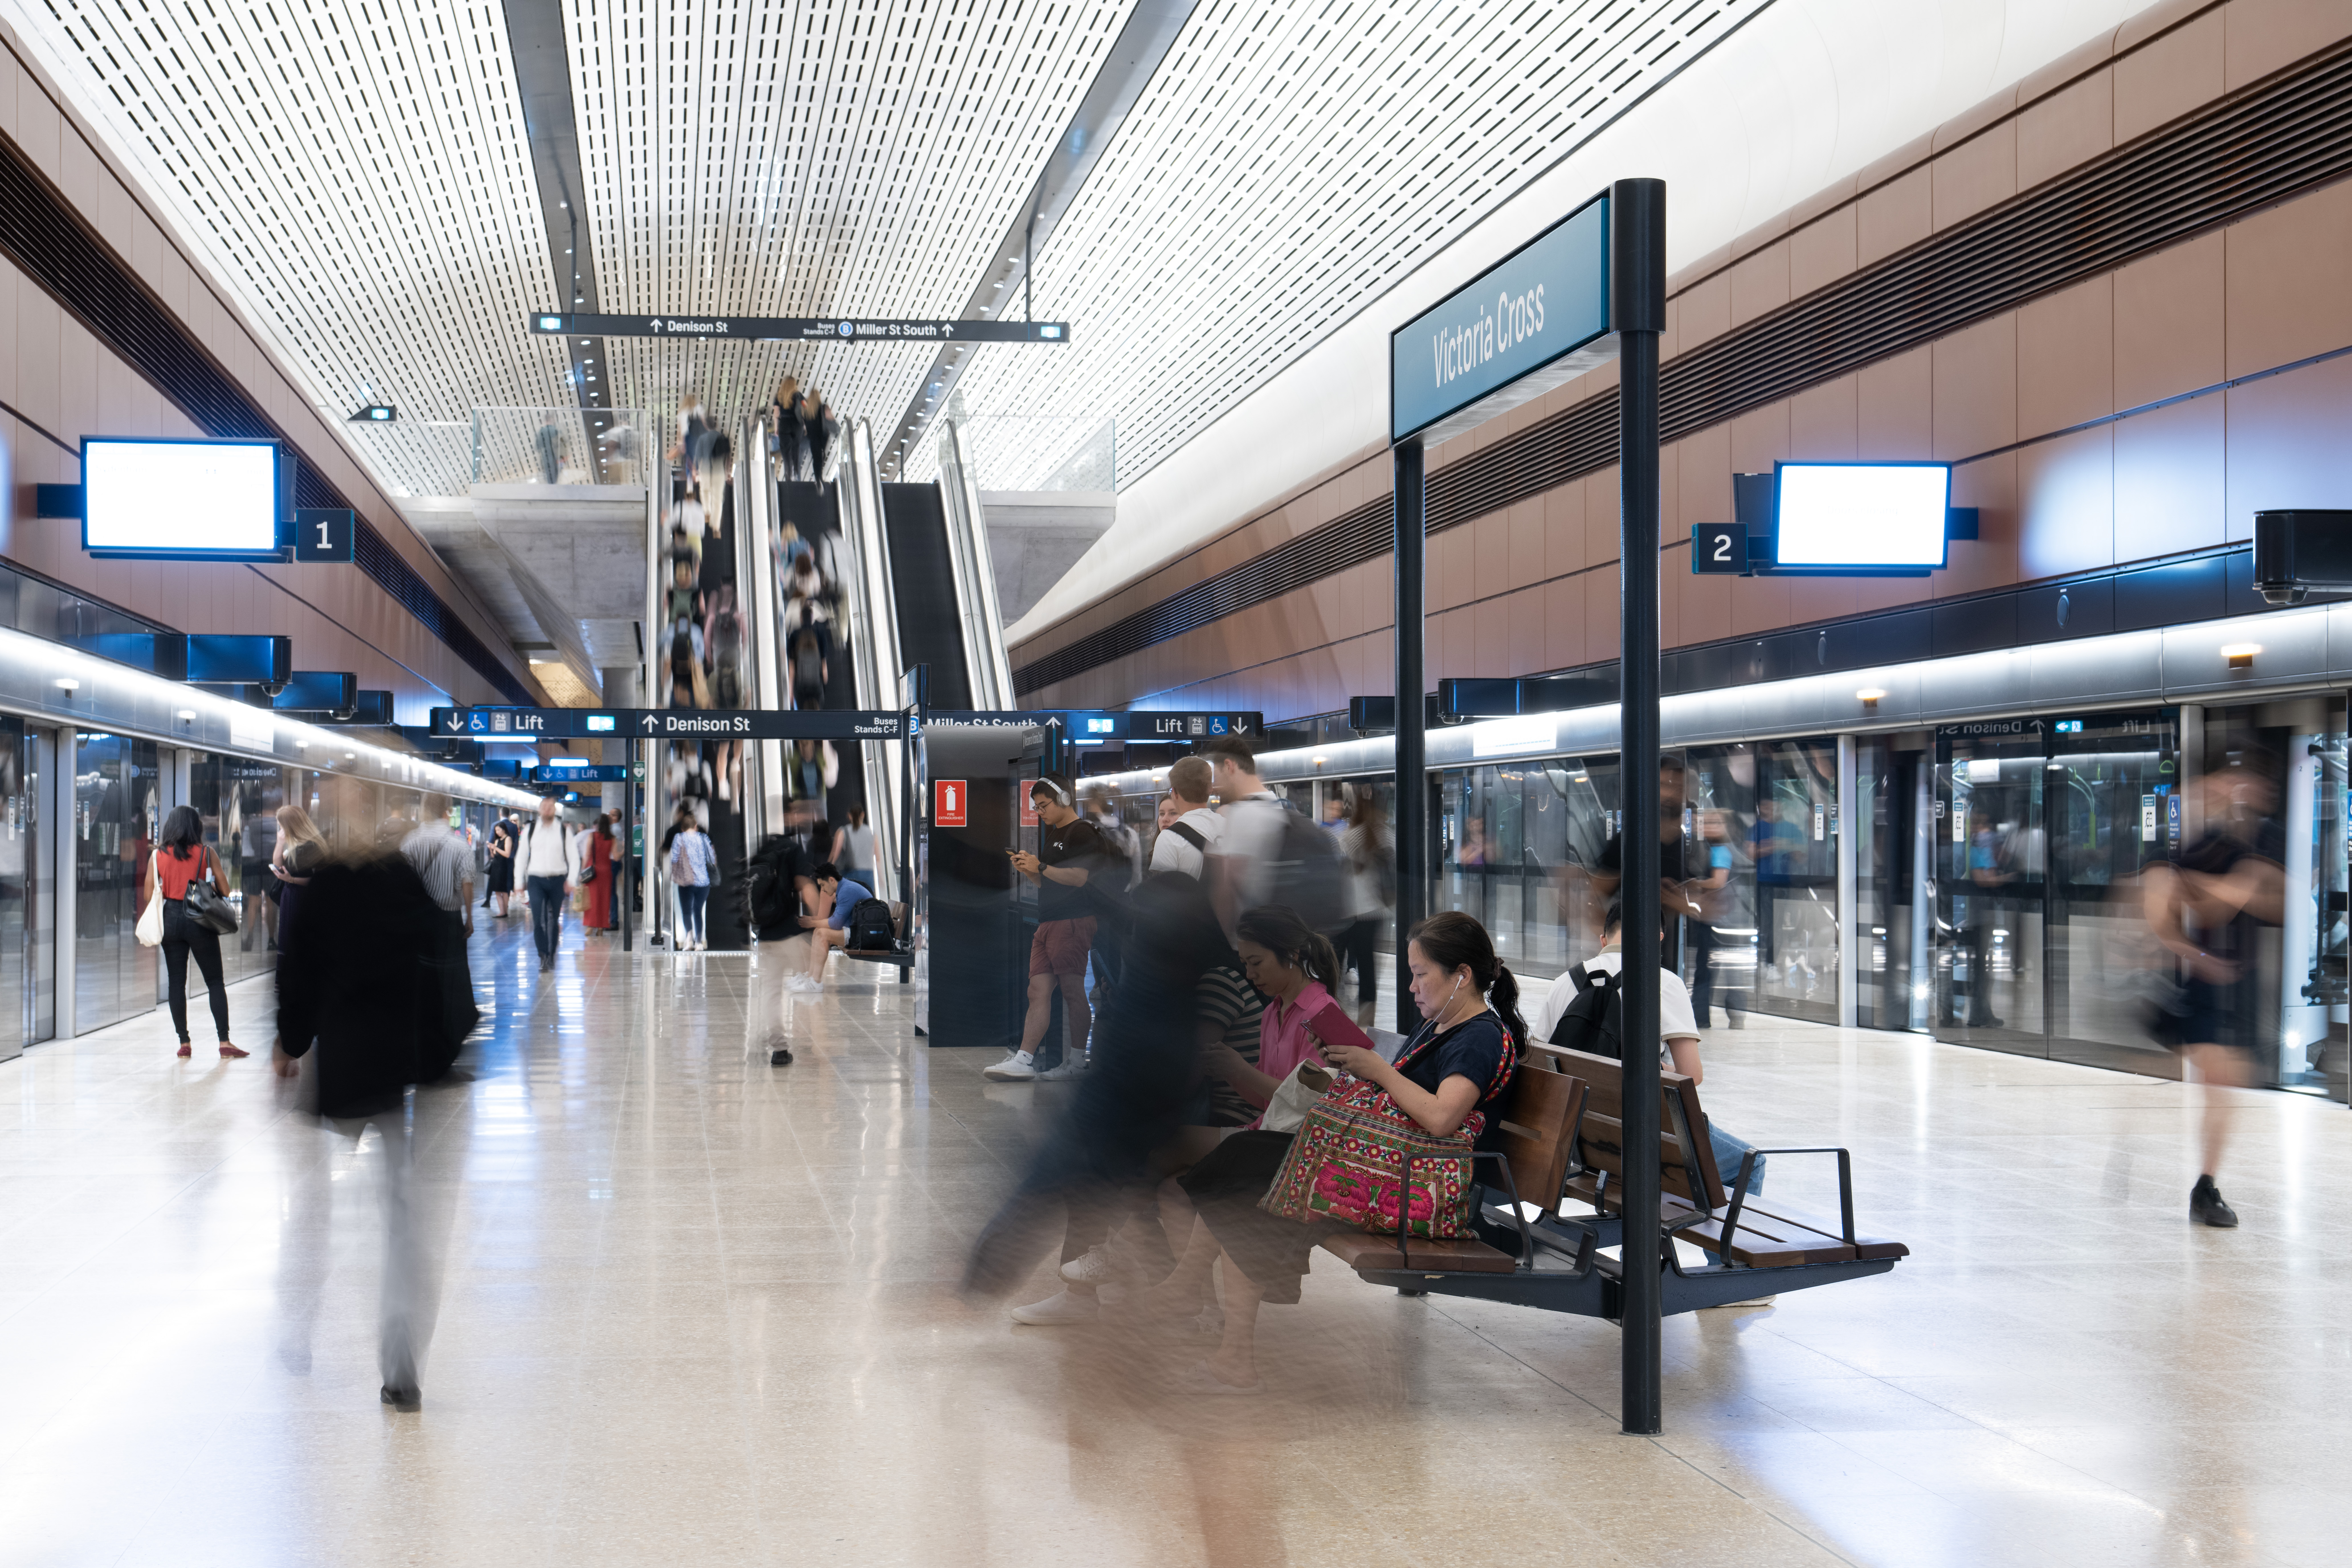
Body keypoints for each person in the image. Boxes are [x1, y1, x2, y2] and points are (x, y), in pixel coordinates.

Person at [1178, 909, 1524, 1392]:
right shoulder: (1444, 1025)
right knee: (1246, 1165)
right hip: (1393, 1169)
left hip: (1418, 1186)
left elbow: (1444, 1117)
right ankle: (1219, 1336)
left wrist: (1379, 1071)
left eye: (1421, 974)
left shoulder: (1481, 1037)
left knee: (1247, 1172)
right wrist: (1355, 1065)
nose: (1412, 986)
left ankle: (1214, 1330)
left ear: (1461, 975)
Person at [271, 842, 452, 1410]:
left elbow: (297, 965)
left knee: (312, 1206)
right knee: (398, 1219)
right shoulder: (402, 876)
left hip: (342, 1066)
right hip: (392, 1068)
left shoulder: (326, 882)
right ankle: (398, 1367)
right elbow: (439, 948)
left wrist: (292, 1041)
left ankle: (297, 1329)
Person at [1135, 906, 1334, 1325]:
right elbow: (1273, 1103)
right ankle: (1199, 1302)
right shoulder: (1272, 1012)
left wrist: (1241, 1072)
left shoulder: (1321, 1014)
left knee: (1159, 1146)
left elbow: (1310, 1110)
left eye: (1256, 962)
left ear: (1292, 955)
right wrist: (1231, 1073)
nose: (1249, 974)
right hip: (1263, 1134)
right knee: (1172, 1188)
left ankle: (1123, 1254)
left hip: (1286, 1149)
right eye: (1244, 963)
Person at [1533, 900, 1767, 1200]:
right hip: (1644, 1136)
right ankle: (1710, 1244)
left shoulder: (1564, 982)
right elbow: (1691, 1075)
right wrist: (1659, 1069)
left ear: (1603, 940)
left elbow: (1542, 1061)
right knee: (1751, 1163)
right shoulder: (1663, 982)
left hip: (1582, 1135)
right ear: (1658, 937)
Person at [2144, 766, 2284, 1228]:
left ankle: (2206, 1183)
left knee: (2223, 1089)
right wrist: (2194, 947)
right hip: (2200, 985)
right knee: (2218, 1083)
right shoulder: (2187, 851)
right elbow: (2175, 912)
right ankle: (2205, 1185)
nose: (2235, 793)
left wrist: (2189, 883)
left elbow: (2250, 900)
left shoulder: (2258, 847)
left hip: (2237, 982)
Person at [985, 778, 1112, 1083]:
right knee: (1037, 990)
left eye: (1044, 806)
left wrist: (1040, 866)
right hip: (1050, 921)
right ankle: (1025, 1059)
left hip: (1072, 920)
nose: (1040, 812)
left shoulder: (1082, 832)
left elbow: (1080, 877)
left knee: (1072, 989)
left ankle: (1078, 1061)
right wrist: (1030, 869)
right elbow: (1049, 881)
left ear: (1065, 798)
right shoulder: (1054, 834)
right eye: (1037, 807)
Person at [153, 804, 247, 1060]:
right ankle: (224, 1041)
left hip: (170, 919)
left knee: (176, 982)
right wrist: (209, 884)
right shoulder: (206, 853)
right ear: (197, 827)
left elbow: (151, 892)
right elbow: (226, 890)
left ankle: (184, 1042)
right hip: (197, 917)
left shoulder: (158, 855)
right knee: (215, 981)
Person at [1336, 790, 1392, 1026]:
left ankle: (1334, 1021)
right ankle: (1366, 1026)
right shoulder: (1387, 836)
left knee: (1335, 968)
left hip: (1346, 913)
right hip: (1376, 913)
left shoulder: (1348, 837)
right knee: (1369, 972)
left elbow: (1338, 874)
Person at [513, 797, 581, 972]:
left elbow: (574, 858)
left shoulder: (564, 831)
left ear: (555, 810)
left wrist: (572, 880)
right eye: (544, 806)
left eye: (551, 807)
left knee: (554, 920)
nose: (547, 810)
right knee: (538, 920)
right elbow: (521, 857)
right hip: (536, 880)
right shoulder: (530, 830)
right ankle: (542, 955)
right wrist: (519, 882)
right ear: (539, 810)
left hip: (558, 880)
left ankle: (551, 954)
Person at [789, 862, 875, 993]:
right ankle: (811, 978)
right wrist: (816, 924)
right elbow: (835, 921)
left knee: (823, 935)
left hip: (864, 935)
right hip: (858, 930)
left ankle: (816, 982)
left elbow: (836, 924)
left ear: (831, 880)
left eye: (823, 886)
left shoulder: (847, 891)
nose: (823, 890)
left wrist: (813, 923)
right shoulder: (843, 888)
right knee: (819, 931)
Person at [1148, 756, 1224, 879]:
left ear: (1175, 793)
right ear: (1210, 789)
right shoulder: (1230, 827)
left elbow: (1163, 893)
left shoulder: (1169, 838)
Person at [272, 805, 329, 938]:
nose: (281, 831)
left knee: (296, 940)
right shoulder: (297, 844)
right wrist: (280, 843)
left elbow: (319, 881)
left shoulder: (312, 846)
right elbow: (278, 864)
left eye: (282, 827)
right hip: (292, 897)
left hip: (302, 899)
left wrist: (291, 880)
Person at [668, 810, 719, 951]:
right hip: (703, 882)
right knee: (698, 910)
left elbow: (674, 858)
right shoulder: (704, 838)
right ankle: (699, 943)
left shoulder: (679, 838)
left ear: (682, 828)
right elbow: (712, 859)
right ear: (696, 826)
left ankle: (689, 939)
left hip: (686, 881)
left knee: (686, 912)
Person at [238, 792, 279, 953]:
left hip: (253, 866)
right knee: (271, 903)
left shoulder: (253, 824)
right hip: (271, 867)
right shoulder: (277, 824)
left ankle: (249, 936)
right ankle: (271, 940)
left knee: (254, 902)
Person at [579, 814, 619, 934]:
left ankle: (591, 926)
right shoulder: (612, 838)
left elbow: (586, 856)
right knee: (605, 899)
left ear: (598, 825)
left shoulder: (592, 836)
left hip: (593, 871)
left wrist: (582, 871)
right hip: (606, 871)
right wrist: (623, 851)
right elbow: (616, 857)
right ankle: (601, 928)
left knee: (592, 899)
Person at [830, 805, 876, 890]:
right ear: (863, 815)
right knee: (868, 900)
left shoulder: (843, 831)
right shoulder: (871, 832)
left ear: (849, 815)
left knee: (851, 899)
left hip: (850, 872)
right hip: (868, 873)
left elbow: (836, 853)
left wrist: (831, 868)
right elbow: (877, 856)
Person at [483, 812, 517, 916]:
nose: (497, 833)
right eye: (496, 831)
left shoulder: (508, 839)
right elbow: (494, 856)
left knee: (503, 890)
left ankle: (505, 912)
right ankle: (502, 911)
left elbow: (507, 854)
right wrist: (491, 849)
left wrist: (496, 848)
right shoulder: (497, 841)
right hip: (496, 866)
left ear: (504, 830)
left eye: (499, 830)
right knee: (497, 890)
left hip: (503, 867)